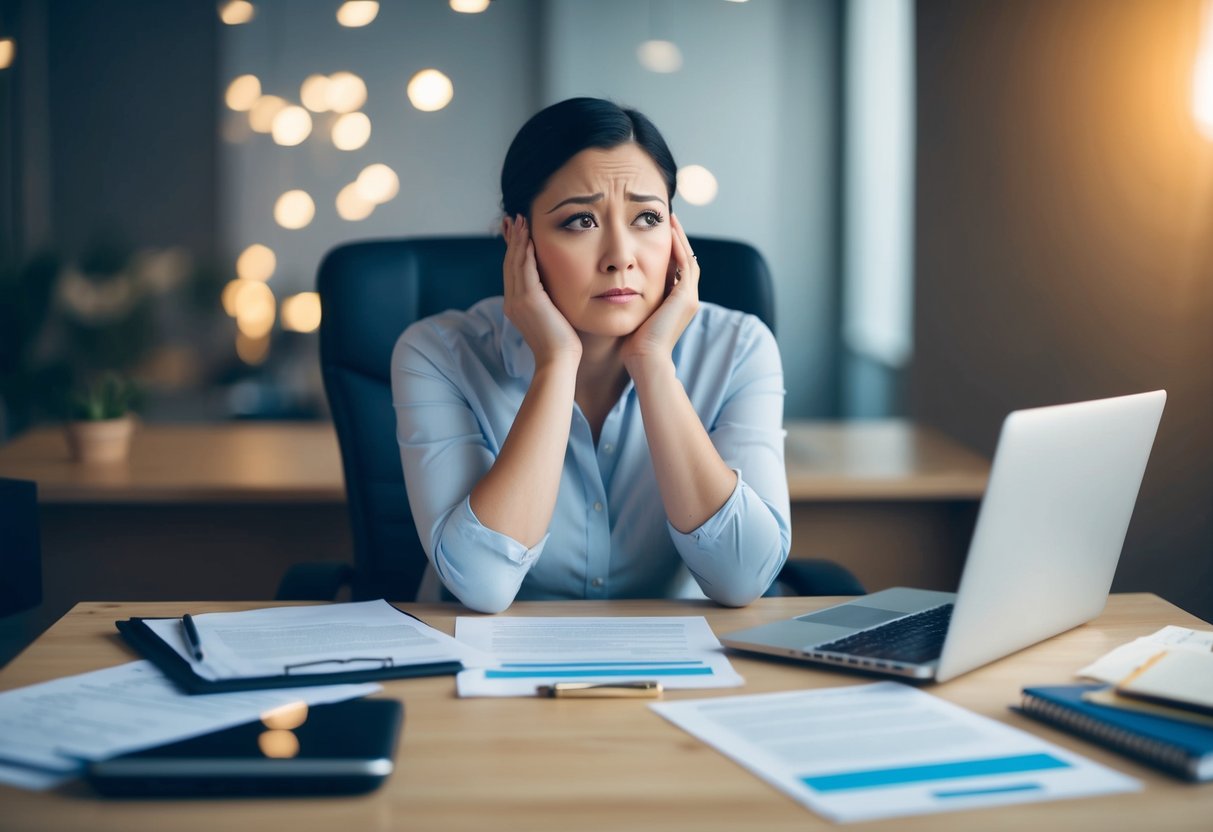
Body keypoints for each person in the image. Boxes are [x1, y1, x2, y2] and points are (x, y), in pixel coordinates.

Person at [391, 97, 789, 613]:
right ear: (518, 235)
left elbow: (742, 578)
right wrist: (556, 363)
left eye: (646, 217)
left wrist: (652, 365)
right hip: (486, 662)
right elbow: (483, 585)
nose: (621, 256)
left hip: (684, 665)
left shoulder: (738, 347)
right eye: (581, 221)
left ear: (674, 231)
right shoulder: (438, 354)